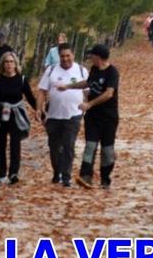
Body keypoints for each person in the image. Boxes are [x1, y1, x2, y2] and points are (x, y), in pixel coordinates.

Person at [58, 43, 119, 189]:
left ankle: (105, 179)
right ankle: (86, 176)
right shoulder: (94, 69)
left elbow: (109, 93)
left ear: (98, 57)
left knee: (107, 150)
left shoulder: (112, 72)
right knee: (90, 146)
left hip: (108, 117)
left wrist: (90, 103)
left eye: (92, 55)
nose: (90, 57)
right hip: (92, 117)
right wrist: (67, 86)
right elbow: (87, 83)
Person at [36, 43, 87, 187]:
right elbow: (42, 91)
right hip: (53, 115)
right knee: (54, 146)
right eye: (62, 56)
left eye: (68, 56)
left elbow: (88, 91)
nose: (65, 59)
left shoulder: (81, 71)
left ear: (73, 55)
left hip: (74, 115)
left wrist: (91, 106)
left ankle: (66, 176)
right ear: (58, 57)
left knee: (68, 145)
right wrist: (38, 109)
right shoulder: (51, 70)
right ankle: (56, 171)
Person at [0, 52, 36, 184]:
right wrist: (2, 107)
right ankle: (2, 171)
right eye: (6, 62)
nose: (9, 64)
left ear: (16, 64)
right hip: (1, 113)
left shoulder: (21, 79)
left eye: (11, 62)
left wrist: (40, 110)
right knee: (0, 143)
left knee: (15, 143)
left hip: (16, 113)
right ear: (2, 64)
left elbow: (30, 97)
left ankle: (13, 173)